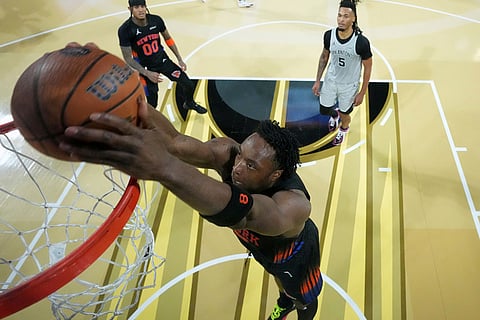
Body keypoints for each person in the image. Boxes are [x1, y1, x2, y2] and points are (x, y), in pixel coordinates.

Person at [60, 41, 322, 320]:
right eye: (241, 155)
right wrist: (128, 101)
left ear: (275, 176)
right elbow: (175, 142)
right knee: (274, 274)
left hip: (292, 255)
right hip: (260, 248)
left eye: (250, 165)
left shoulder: (293, 206)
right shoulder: (227, 154)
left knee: (302, 296)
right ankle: (286, 297)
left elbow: (243, 213)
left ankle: (294, 305)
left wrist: (163, 167)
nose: (237, 167)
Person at [118, 0, 207, 114]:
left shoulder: (156, 20)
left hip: (163, 61)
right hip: (145, 68)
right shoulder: (125, 30)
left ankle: (189, 103)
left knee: (188, 84)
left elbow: (168, 39)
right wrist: (147, 74)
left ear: (146, 7)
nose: (140, 10)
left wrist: (179, 59)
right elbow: (128, 58)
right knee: (152, 103)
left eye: (142, 6)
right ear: (130, 9)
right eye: (136, 7)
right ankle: (149, 123)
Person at [312, 0, 372, 145]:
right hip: (331, 81)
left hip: (349, 86)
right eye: (339, 16)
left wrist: (362, 93)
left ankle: (343, 130)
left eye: (345, 16)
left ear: (353, 19)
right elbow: (324, 57)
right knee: (324, 110)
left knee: (345, 114)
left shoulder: (361, 42)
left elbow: (368, 68)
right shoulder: (329, 35)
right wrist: (317, 80)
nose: (341, 20)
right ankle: (334, 115)